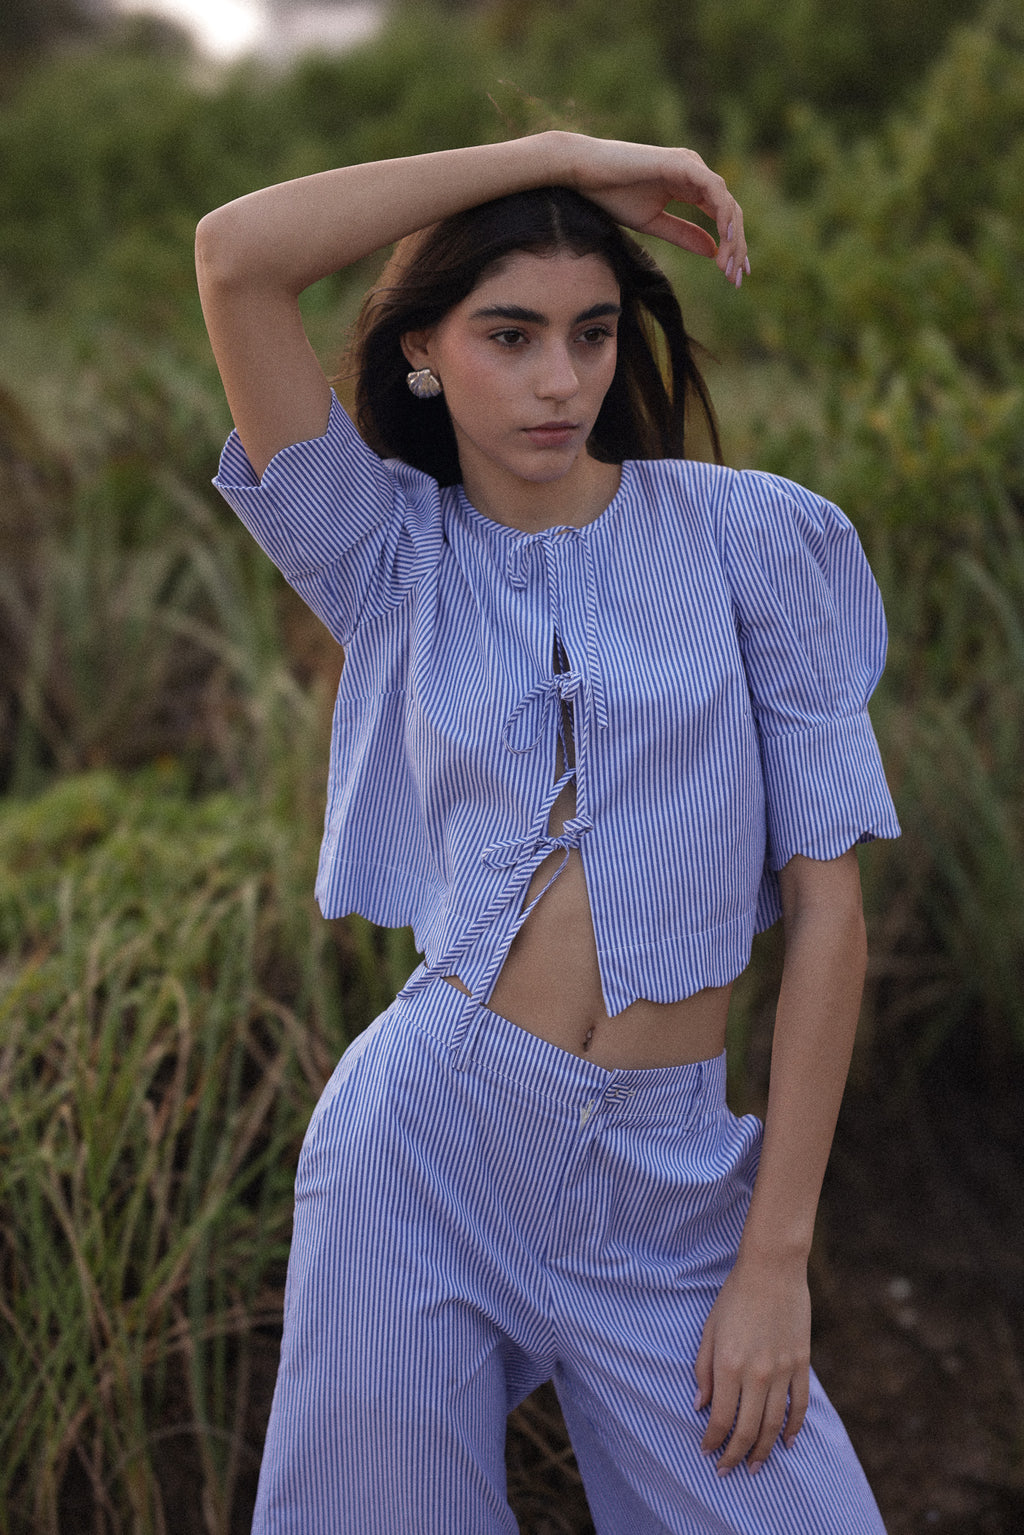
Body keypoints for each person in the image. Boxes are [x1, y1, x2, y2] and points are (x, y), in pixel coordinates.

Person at [196, 131, 900, 1534]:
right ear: (422, 353)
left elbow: (831, 913)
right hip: (425, 1155)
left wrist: (778, 1259)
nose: (561, 380)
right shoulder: (385, 557)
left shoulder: (755, 541)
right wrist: (559, 155)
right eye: (507, 335)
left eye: (591, 334)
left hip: (671, 1187)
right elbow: (237, 258)